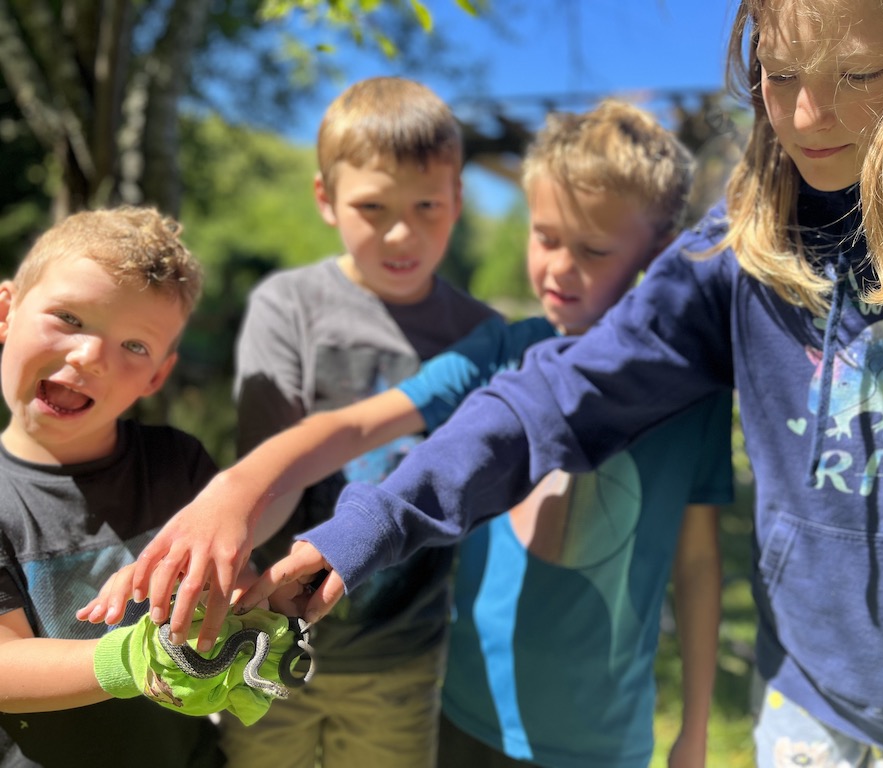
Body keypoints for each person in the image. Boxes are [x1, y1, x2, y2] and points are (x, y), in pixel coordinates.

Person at [219, 0, 883, 765]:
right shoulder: (747, 243)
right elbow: (553, 398)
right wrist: (375, 522)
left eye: (856, 76)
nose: (807, 115)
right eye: (779, 75)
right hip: (806, 700)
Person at [79, 99, 732, 767]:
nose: (560, 269)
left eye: (593, 249)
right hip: (468, 710)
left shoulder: (692, 396)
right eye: (544, 236)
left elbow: (700, 561)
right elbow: (353, 423)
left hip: (603, 737)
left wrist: (697, 728)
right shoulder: (501, 349)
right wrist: (233, 491)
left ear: (661, 256)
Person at [228, 75, 499, 768]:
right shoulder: (289, 306)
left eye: (427, 205)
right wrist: (232, 555)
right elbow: (274, 470)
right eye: (372, 206)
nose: (401, 232)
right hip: (267, 634)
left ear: (459, 200)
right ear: (327, 199)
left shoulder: (481, 334)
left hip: (403, 656)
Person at [0, 207, 226, 767]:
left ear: (157, 378)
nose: (91, 357)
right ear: (5, 312)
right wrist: (133, 659)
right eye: (70, 318)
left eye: (134, 346)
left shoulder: (178, 462)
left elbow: (229, 583)